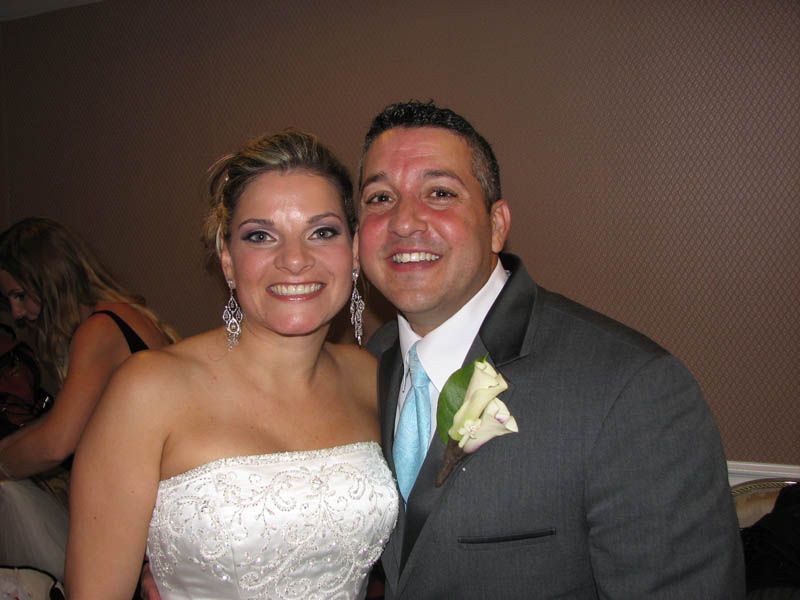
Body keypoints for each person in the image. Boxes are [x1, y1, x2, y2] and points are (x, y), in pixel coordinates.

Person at [357, 100, 745, 598]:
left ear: (497, 224)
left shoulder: (632, 390)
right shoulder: (366, 365)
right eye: (380, 198)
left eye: (439, 192)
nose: (405, 222)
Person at [65, 130, 398, 599]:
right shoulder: (148, 391)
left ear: (356, 251)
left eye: (322, 232)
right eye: (260, 236)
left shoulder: (373, 376)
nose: (295, 260)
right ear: (227, 259)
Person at [0, 217, 176, 581]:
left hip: (150, 516)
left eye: (20, 295)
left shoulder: (101, 327)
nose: (16, 313)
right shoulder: (125, 315)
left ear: (50, 280)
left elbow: (55, 442)